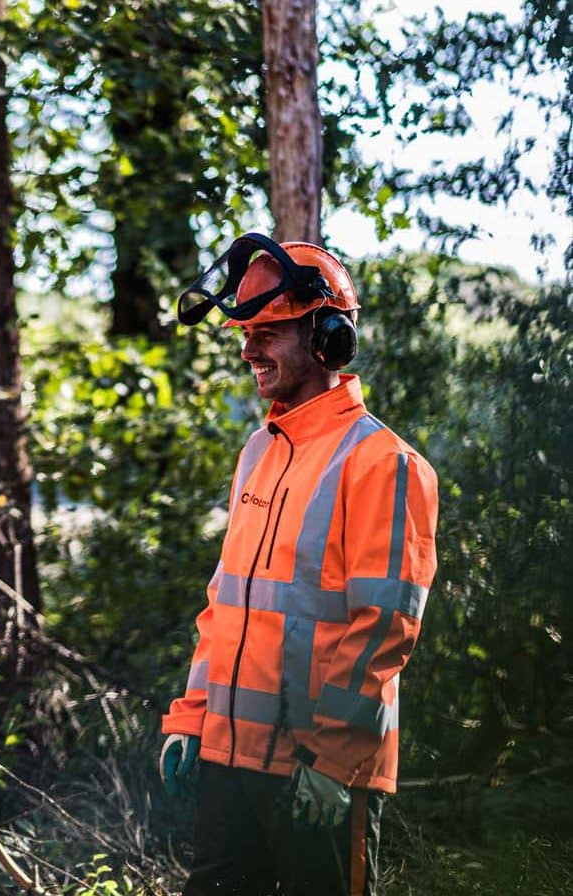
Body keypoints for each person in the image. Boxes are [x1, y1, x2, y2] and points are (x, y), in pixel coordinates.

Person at [161, 235, 439, 896]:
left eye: (269, 332)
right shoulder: (259, 451)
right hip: (227, 760)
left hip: (315, 774)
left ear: (329, 337)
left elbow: (383, 628)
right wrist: (191, 718)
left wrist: (333, 760)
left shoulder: (383, 463)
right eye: (246, 333)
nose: (248, 350)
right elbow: (225, 604)